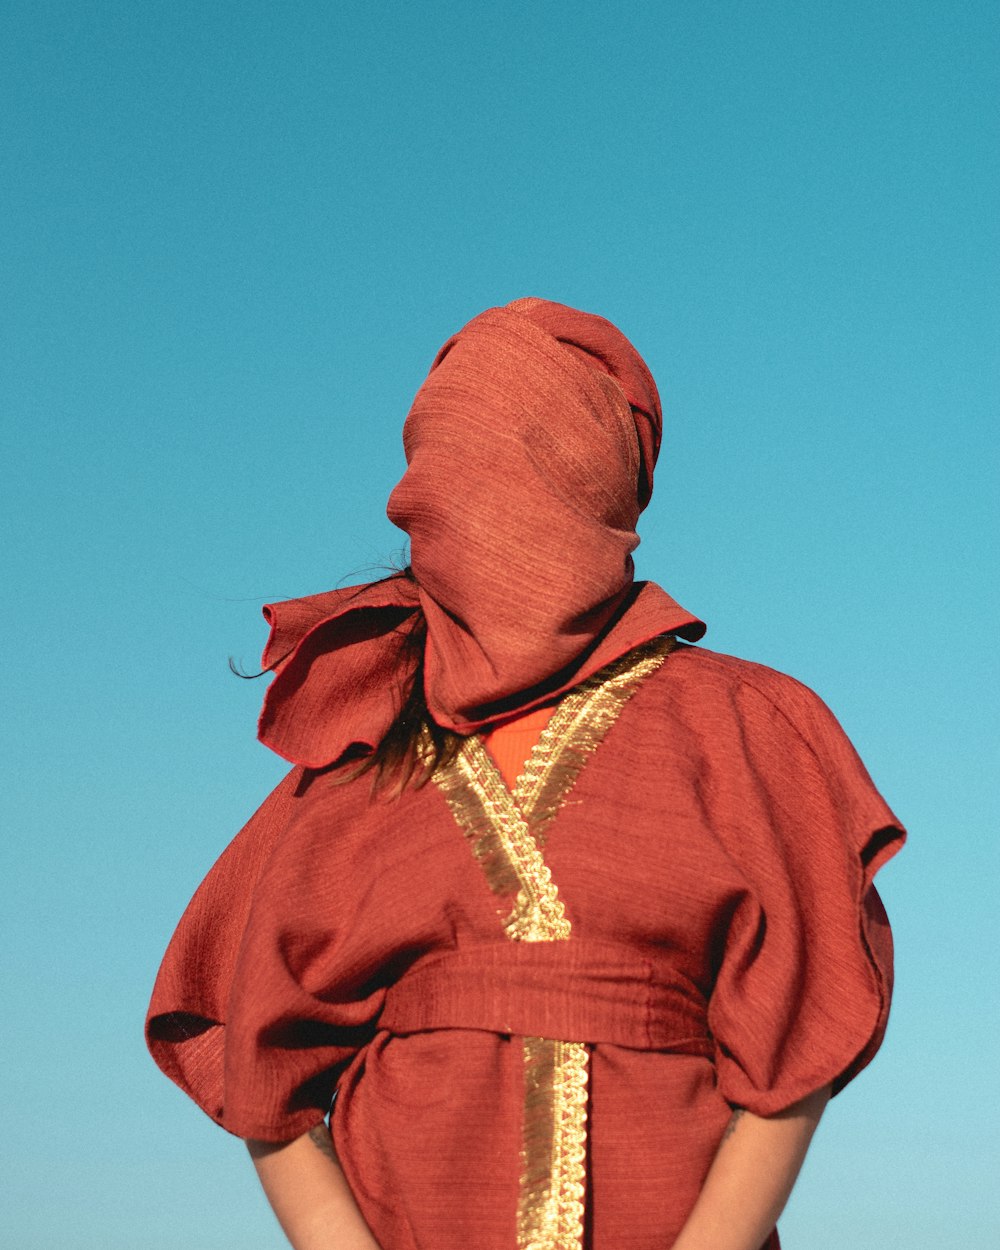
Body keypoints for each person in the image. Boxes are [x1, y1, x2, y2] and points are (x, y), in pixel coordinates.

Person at [146, 298, 905, 1250]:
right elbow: (256, 1059)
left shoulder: (745, 727)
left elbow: (799, 1042)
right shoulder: (358, 755)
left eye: (506, 465)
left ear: (587, 488)